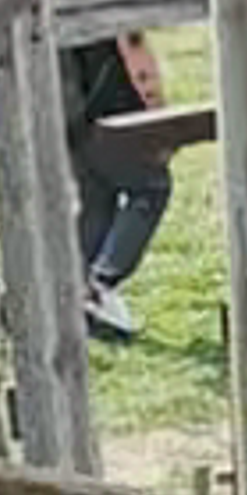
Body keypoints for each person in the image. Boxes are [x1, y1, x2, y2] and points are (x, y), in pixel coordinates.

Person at [64, 25, 171, 338]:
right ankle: (101, 283)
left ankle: (72, 289)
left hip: (71, 122)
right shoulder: (117, 9)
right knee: (152, 188)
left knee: (97, 202)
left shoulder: (60, 2)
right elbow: (140, 67)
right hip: (115, 121)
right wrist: (159, 117)